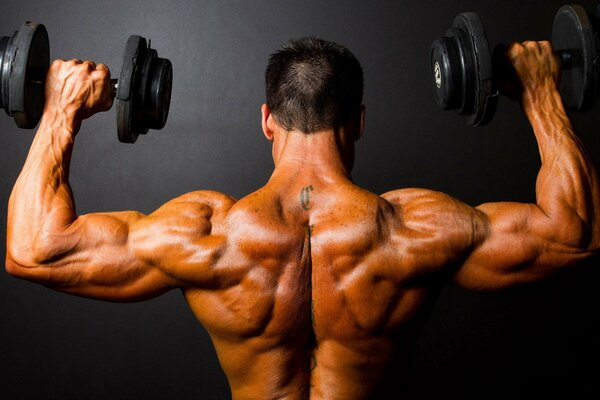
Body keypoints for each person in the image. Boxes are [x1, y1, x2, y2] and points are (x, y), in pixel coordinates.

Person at [5, 36, 599, 399]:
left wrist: (62, 111)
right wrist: (541, 96)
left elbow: (33, 249)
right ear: (359, 122)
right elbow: (575, 235)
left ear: (268, 120)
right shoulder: (416, 229)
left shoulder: (207, 237)